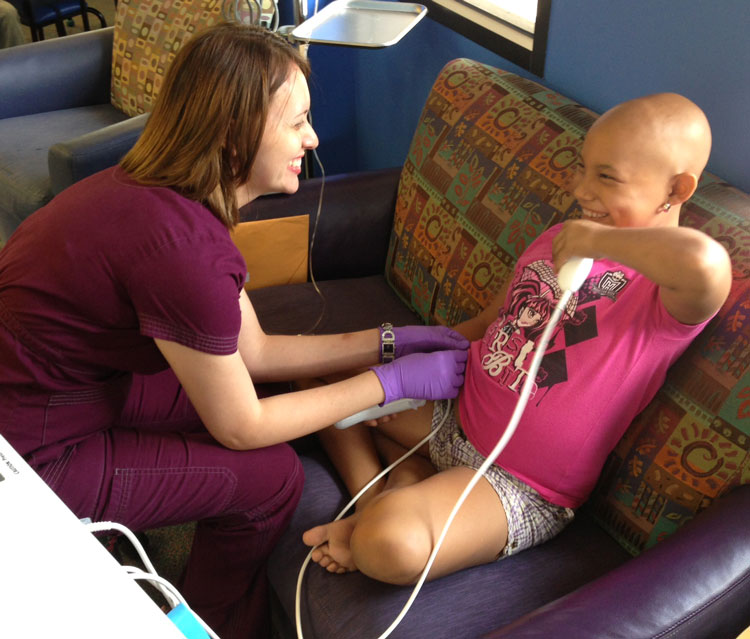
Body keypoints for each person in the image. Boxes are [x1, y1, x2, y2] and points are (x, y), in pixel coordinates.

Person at [0, 23, 469, 638]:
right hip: (31, 456)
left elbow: (257, 352)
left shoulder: (163, 195)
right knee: (272, 480)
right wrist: (388, 382)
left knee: (280, 400)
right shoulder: (180, 247)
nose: (314, 137)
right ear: (233, 132)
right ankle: (211, 621)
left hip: (63, 392)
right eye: (297, 121)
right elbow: (241, 426)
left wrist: (389, 340)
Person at [301, 92, 733, 586]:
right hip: (452, 414)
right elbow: (492, 321)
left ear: (676, 189)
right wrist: (408, 358)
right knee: (318, 371)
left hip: (515, 484)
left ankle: (391, 506)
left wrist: (596, 242)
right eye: (583, 169)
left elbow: (706, 264)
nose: (581, 190)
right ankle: (374, 494)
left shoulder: (664, 295)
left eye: (606, 177)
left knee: (387, 546)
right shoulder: (557, 241)